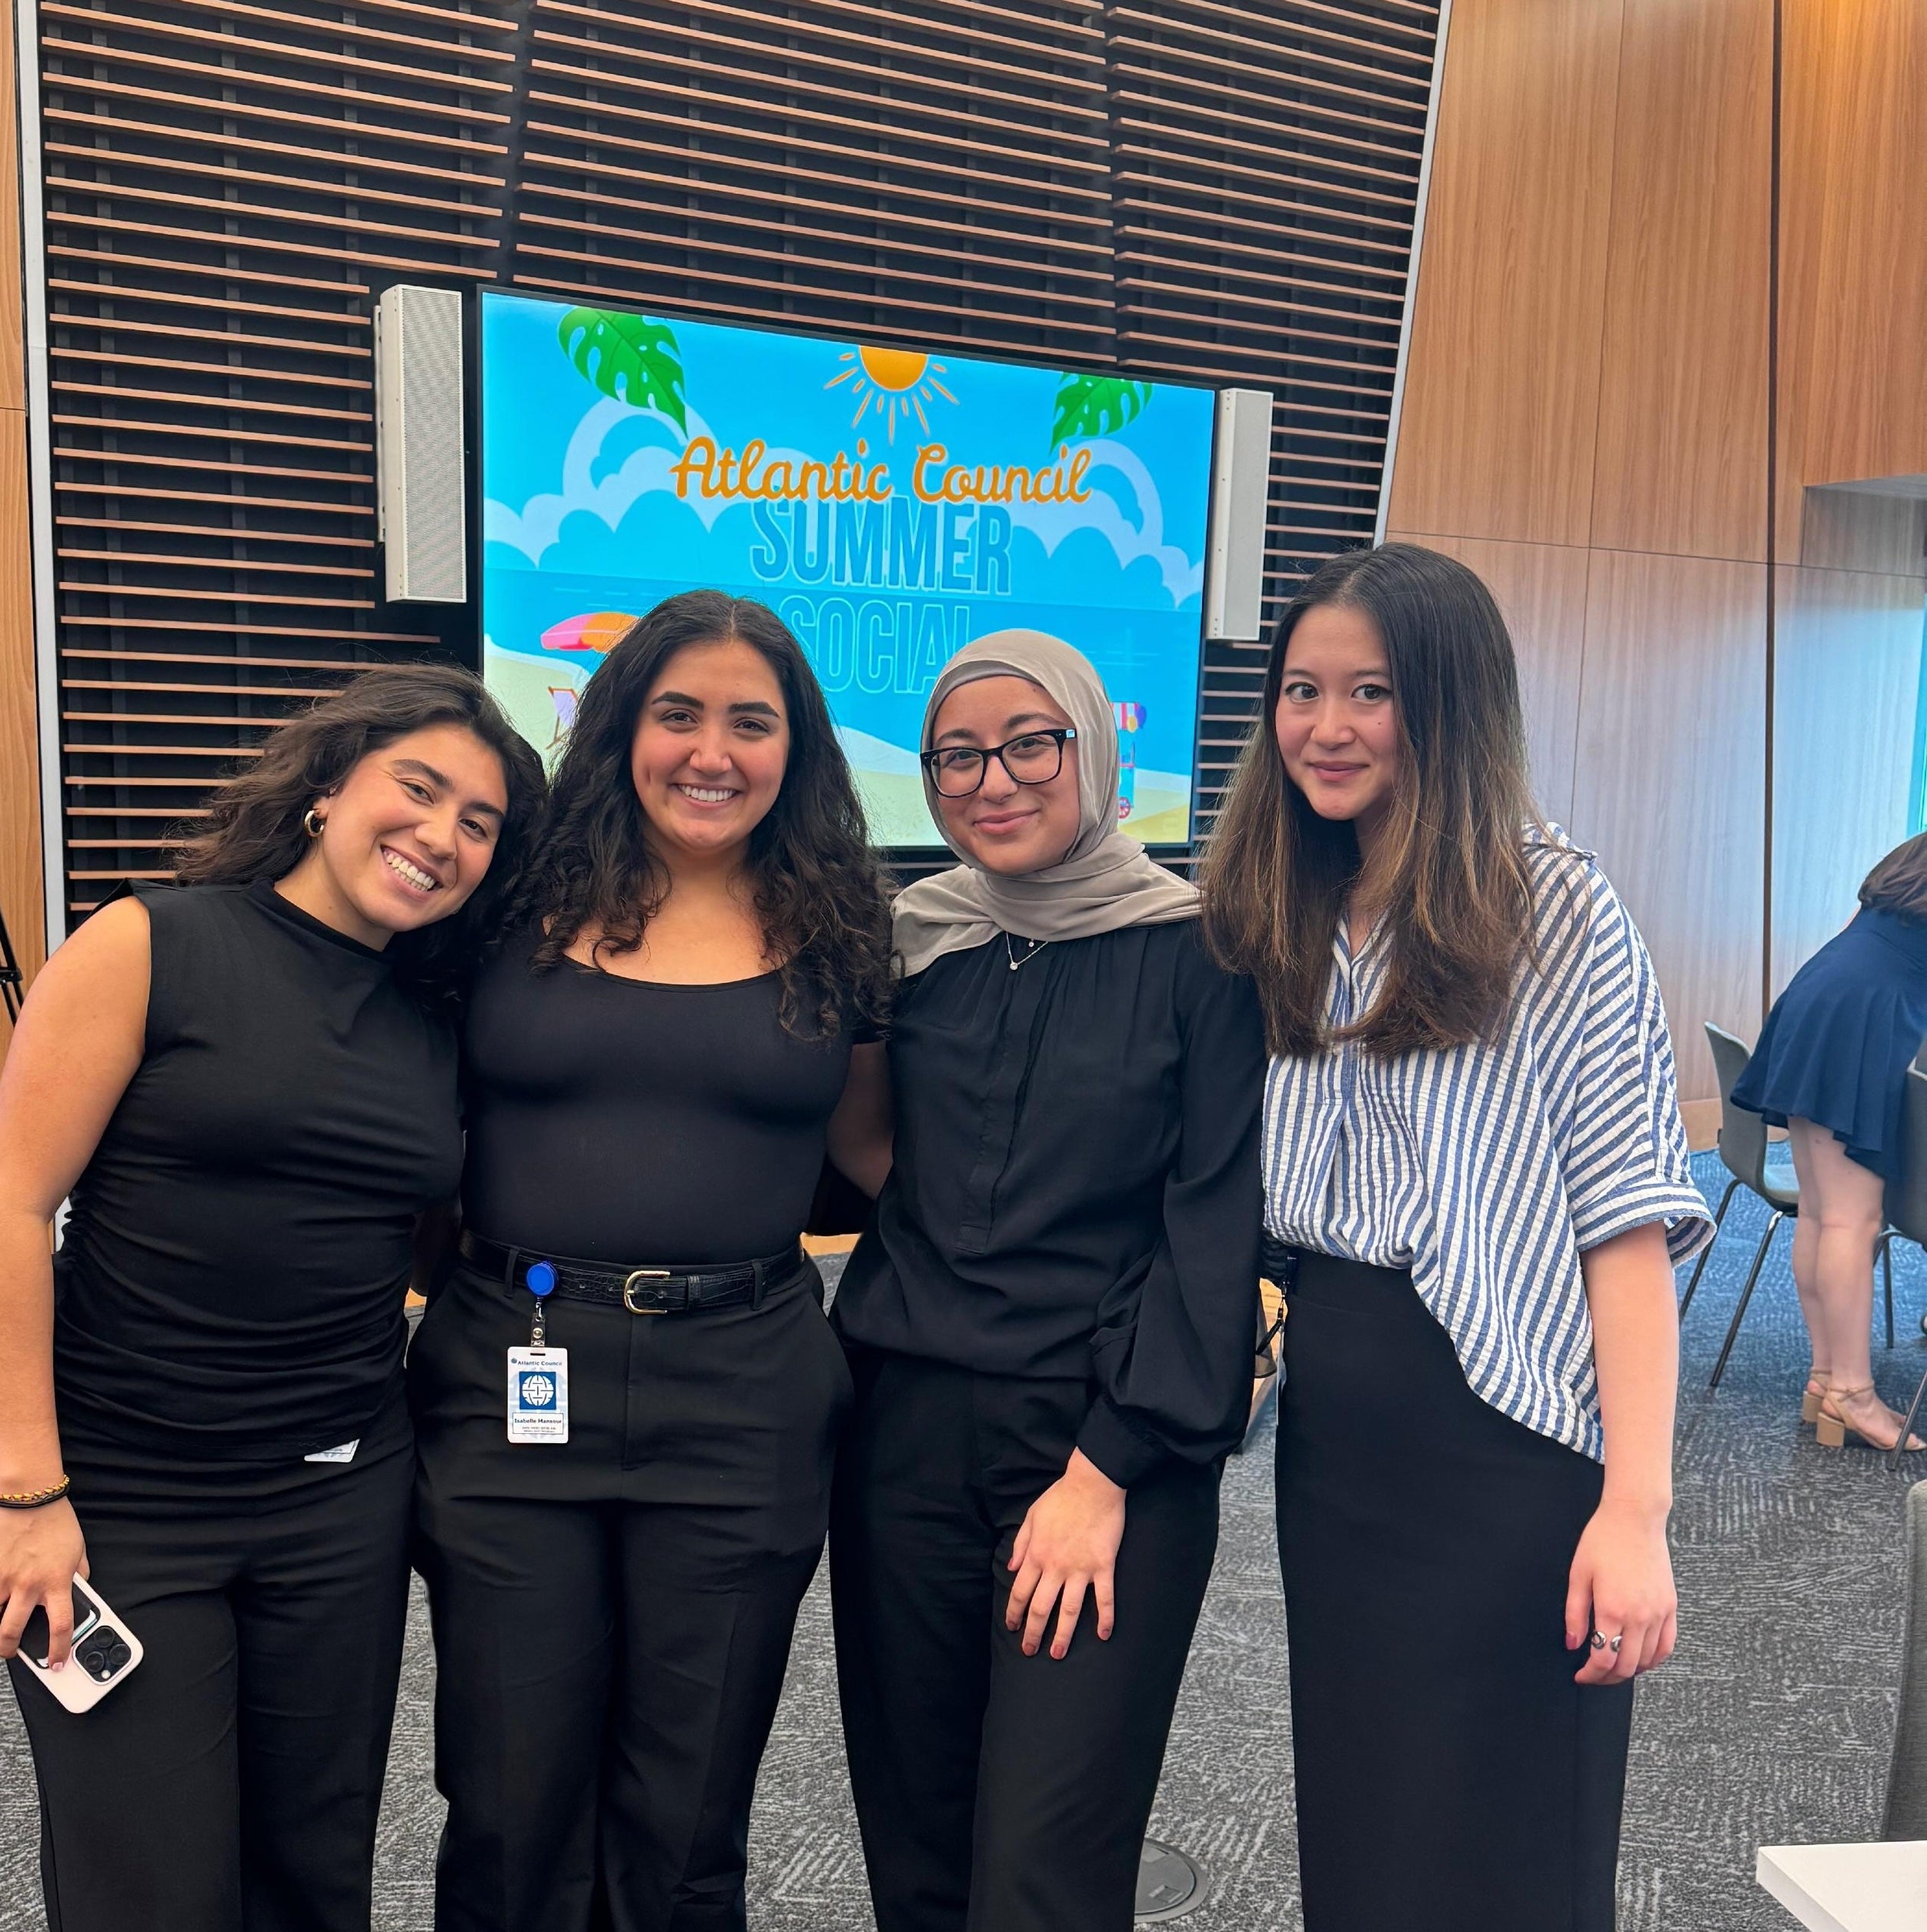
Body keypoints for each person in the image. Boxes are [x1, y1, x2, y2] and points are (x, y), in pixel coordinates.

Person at [0, 664, 543, 1932]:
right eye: (419, 790)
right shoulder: (149, 942)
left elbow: (430, 1241)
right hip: (123, 1502)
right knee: (150, 1889)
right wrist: (27, 1487)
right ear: (329, 790)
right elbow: (5, 1208)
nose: (440, 836)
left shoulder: (436, 1020)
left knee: (310, 1877)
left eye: (478, 823)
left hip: (339, 1504)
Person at [1200, 542, 1710, 1932]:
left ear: (1447, 701)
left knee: (1511, 1842)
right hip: (1337, 1440)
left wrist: (1634, 1508)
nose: (1324, 726)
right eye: (1300, 691)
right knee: (1368, 1818)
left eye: (1368, 691)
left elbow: (1625, 1227)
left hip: (1512, 1439)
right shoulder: (1282, 904)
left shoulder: (1553, 908)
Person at [408, 590, 893, 1932]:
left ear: (796, 748)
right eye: (677, 713)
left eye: (752, 721)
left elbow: (879, 1158)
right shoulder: (504, 896)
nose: (710, 751)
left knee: (687, 1811)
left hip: (743, 1395)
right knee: (509, 1793)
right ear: (622, 724)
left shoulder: (842, 923)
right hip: (514, 1372)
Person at [825, 630, 1267, 1932]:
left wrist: (1104, 1471)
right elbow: (872, 1150)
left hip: (1097, 1445)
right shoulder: (920, 939)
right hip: (903, 1430)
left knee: (1041, 1868)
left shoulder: (1206, 957)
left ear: (1094, 749)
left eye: (1031, 742)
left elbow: (1213, 1225)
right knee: (914, 1836)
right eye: (955, 755)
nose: (990, 778)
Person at [1731, 833, 1927, 1449]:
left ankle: (1827, 1380)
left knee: (1821, 1213)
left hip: (1818, 993)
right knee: (1850, 1221)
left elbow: (1858, 927)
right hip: (1863, 1013)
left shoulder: (1913, 859)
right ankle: (1854, 1394)